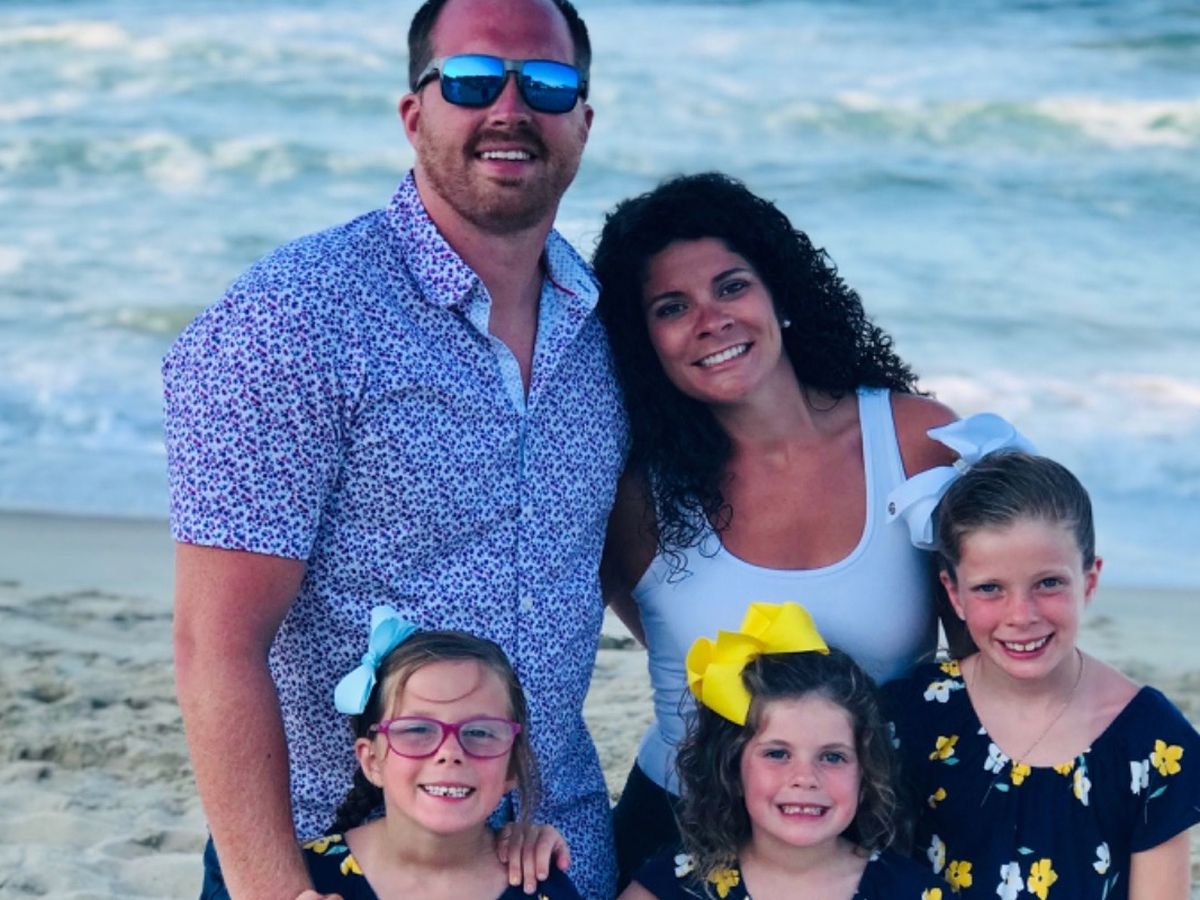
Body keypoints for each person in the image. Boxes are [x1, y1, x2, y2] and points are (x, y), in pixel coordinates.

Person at [162, 1, 625, 897]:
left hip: (554, 849)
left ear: (583, 121)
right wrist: (274, 888)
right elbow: (214, 640)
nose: (510, 109)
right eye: (472, 81)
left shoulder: (604, 326)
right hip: (337, 857)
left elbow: (631, 562)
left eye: (546, 83)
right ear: (415, 114)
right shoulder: (293, 318)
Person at [592, 171, 958, 881]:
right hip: (678, 835)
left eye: (731, 287)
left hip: (871, 829)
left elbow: (988, 651)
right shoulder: (636, 497)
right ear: (644, 342)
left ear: (778, 293)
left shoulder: (915, 443)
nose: (711, 320)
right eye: (672, 307)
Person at [885, 452, 1200, 899]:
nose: (1022, 615)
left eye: (1048, 583)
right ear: (954, 595)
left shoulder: (1151, 741)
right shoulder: (912, 717)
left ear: (1089, 580)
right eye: (989, 588)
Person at [623, 602, 946, 900]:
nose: (805, 778)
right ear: (731, 768)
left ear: (867, 774)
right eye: (777, 754)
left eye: (832, 757)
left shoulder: (912, 891)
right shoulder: (674, 888)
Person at [297, 608, 582, 900]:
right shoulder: (308, 877)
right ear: (372, 761)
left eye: (479, 732)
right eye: (418, 729)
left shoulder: (542, 886)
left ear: (512, 766)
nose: (449, 753)